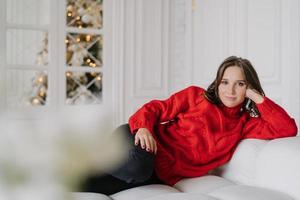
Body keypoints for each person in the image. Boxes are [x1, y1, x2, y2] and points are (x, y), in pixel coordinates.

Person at [80, 56, 298, 195]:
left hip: (154, 174)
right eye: (225, 82)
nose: (230, 90)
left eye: (240, 84)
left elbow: (287, 129)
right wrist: (143, 127)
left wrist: (257, 97)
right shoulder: (197, 96)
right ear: (217, 83)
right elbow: (155, 108)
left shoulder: (244, 125)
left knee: (86, 185)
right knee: (138, 166)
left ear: (248, 88)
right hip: (139, 140)